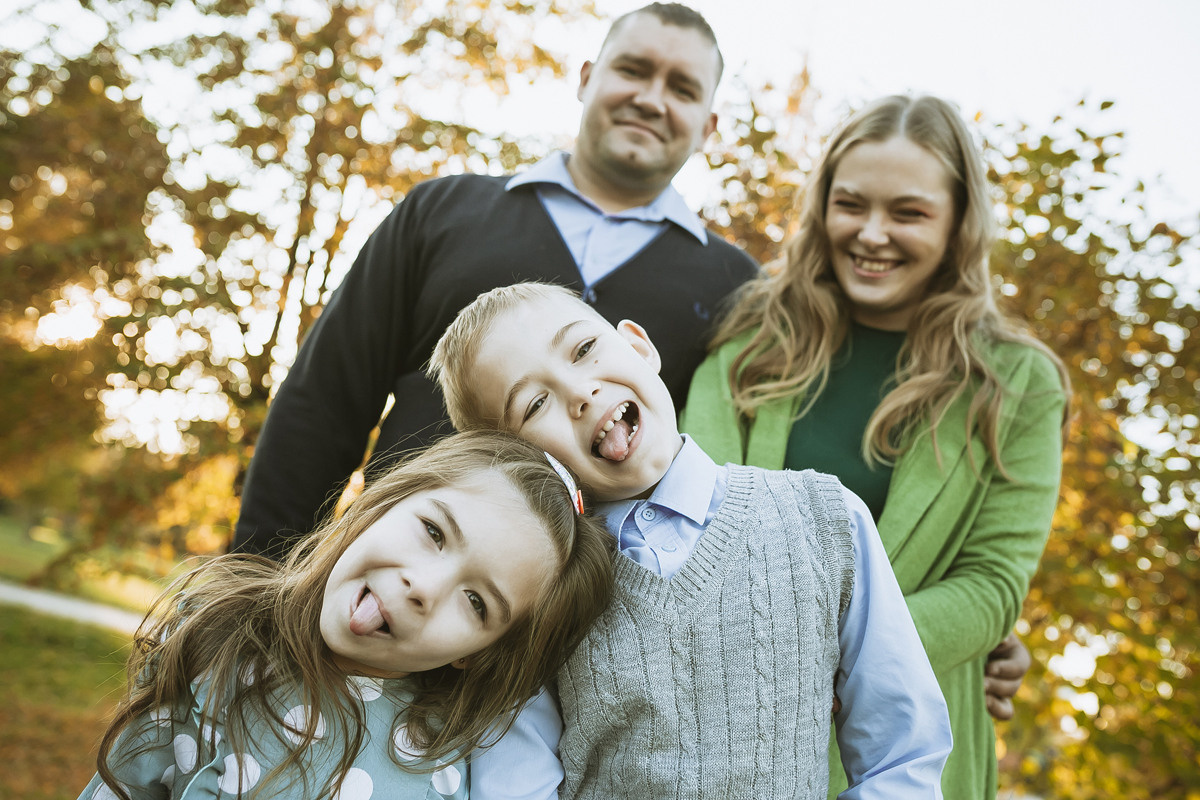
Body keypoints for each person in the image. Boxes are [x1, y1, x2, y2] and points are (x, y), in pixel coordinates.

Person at [233, 2, 758, 560]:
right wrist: (255, 580)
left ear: (708, 126)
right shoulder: (440, 211)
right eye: (632, 70)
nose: (651, 98)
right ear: (586, 78)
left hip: (583, 628)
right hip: (390, 580)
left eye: (681, 88)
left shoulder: (739, 288)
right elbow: (324, 401)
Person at [681, 94, 1071, 800]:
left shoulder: (1017, 383)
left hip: (907, 748)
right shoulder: (750, 348)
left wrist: (832, 646)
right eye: (851, 204)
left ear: (958, 225)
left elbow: (992, 586)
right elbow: (693, 517)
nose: (871, 233)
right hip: (725, 734)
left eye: (909, 213)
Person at [428, 283, 952, 799]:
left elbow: (902, 754)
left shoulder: (825, 518)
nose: (580, 392)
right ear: (514, 460)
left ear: (638, 346)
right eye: (535, 403)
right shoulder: (536, 592)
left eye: (584, 350)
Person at [78, 431, 614, 800]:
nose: (423, 587)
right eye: (433, 532)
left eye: (476, 603)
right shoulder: (215, 630)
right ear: (380, 504)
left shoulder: (439, 771)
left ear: (477, 656)